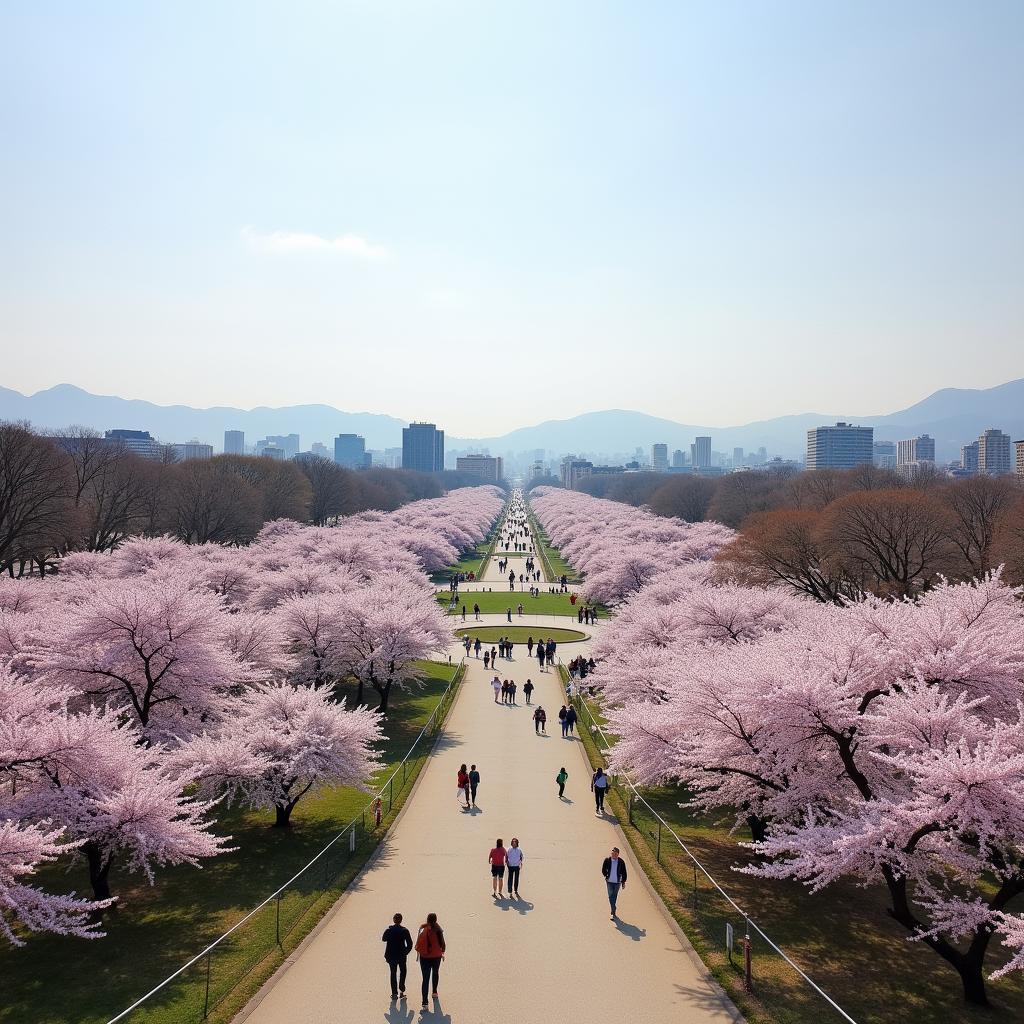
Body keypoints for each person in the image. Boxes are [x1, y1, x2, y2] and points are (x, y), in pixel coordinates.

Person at [415, 913, 446, 1008]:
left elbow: (419, 942)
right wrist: (442, 952)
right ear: (436, 920)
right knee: (435, 972)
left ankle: (425, 1002)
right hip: (436, 956)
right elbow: (443, 944)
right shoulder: (438, 930)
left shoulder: (422, 929)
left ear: (427, 919)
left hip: (424, 957)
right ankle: (434, 992)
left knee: (425, 979)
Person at [382, 912, 413, 999]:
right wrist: (405, 952)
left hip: (391, 956)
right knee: (403, 972)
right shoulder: (405, 931)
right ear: (401, 920)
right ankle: (402, 990)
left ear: (393, 920)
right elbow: (410, 944)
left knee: (393, 973)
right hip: (401, 956)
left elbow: (383, 939)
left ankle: (394, 993)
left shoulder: (389, 930)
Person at [602, 847, 628, 919]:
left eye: (615, 853)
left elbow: (624, 872)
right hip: (609, 882)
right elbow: (603, 869)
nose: (614, 854)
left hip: (617, 882)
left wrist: (623, 882)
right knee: (610, 896)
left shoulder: (621, 862)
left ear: (618, 854)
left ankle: (613, 912)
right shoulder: (607, 860)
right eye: (613, 853)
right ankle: (613, 910)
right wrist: (606, 875)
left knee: (614, 896)